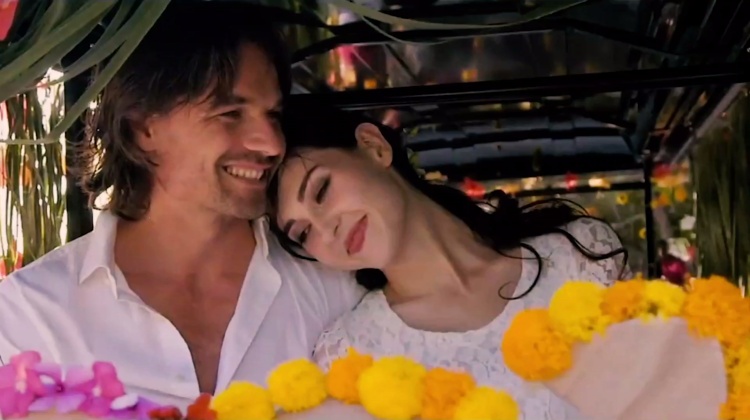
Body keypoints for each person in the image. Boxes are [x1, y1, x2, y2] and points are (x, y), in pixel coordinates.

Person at [0, 1, 364, 409]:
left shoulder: (329, 280)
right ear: (144, 128)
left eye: (273, 115)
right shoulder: (30, 314)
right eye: (230, 113)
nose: (271, 144)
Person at [270, 104, 632, 419]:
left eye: (321, 190)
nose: (327, 229)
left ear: (373, 146)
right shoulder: (352, 358)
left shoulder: (577, 255)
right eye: (303, 233)